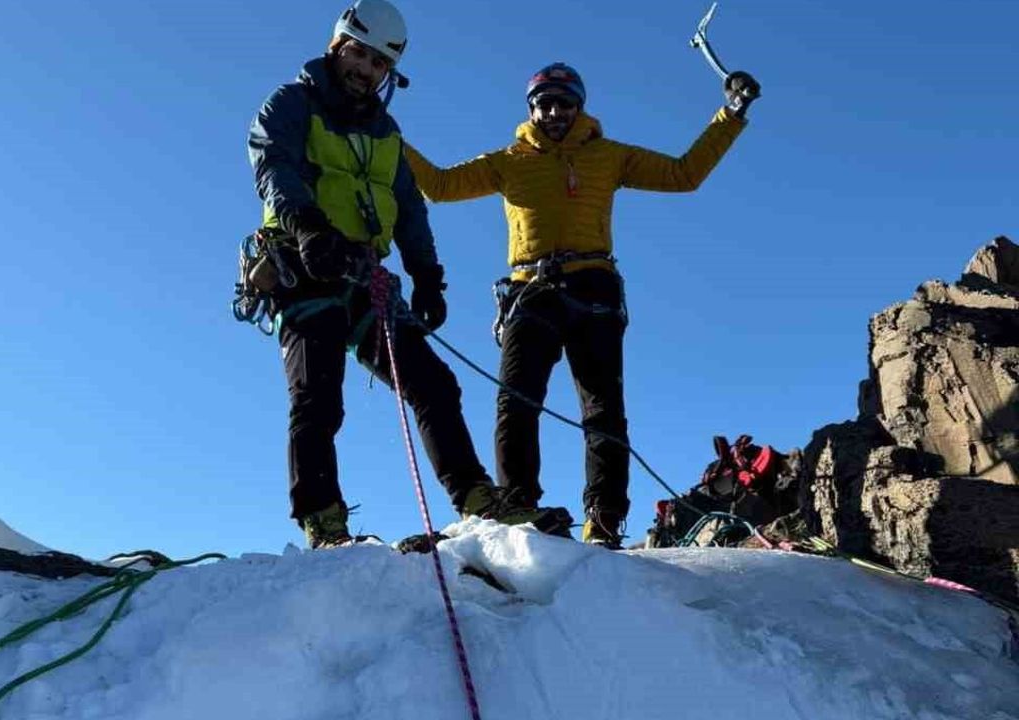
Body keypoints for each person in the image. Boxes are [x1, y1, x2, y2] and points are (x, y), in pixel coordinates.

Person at [247, 1, 572, 549]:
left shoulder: (386, 131)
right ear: (337, 46)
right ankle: (323, 519)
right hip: (303, 267)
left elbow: (408, 204)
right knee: (317, 396)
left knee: (434, 383)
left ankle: (476, 498)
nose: (366, 70)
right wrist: (307, 227)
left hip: (363, 276)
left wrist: (427, 276)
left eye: (379, 63)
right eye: (359, 55)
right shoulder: (292, 103)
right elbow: (272, 163)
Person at [404, 61, 760, 548]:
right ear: (531, 109)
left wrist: (731, 115)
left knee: (603, 409)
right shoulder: (508, 161)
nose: (554, 112)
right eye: (545, 104)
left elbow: (684, 174)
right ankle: (519, 506)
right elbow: (440, 186)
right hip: (531, 289)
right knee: (516, 400)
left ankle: (604, 519)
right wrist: (388, 136)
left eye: (564, 104)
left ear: (579, 107)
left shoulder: (607, 156)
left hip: (594, 286)